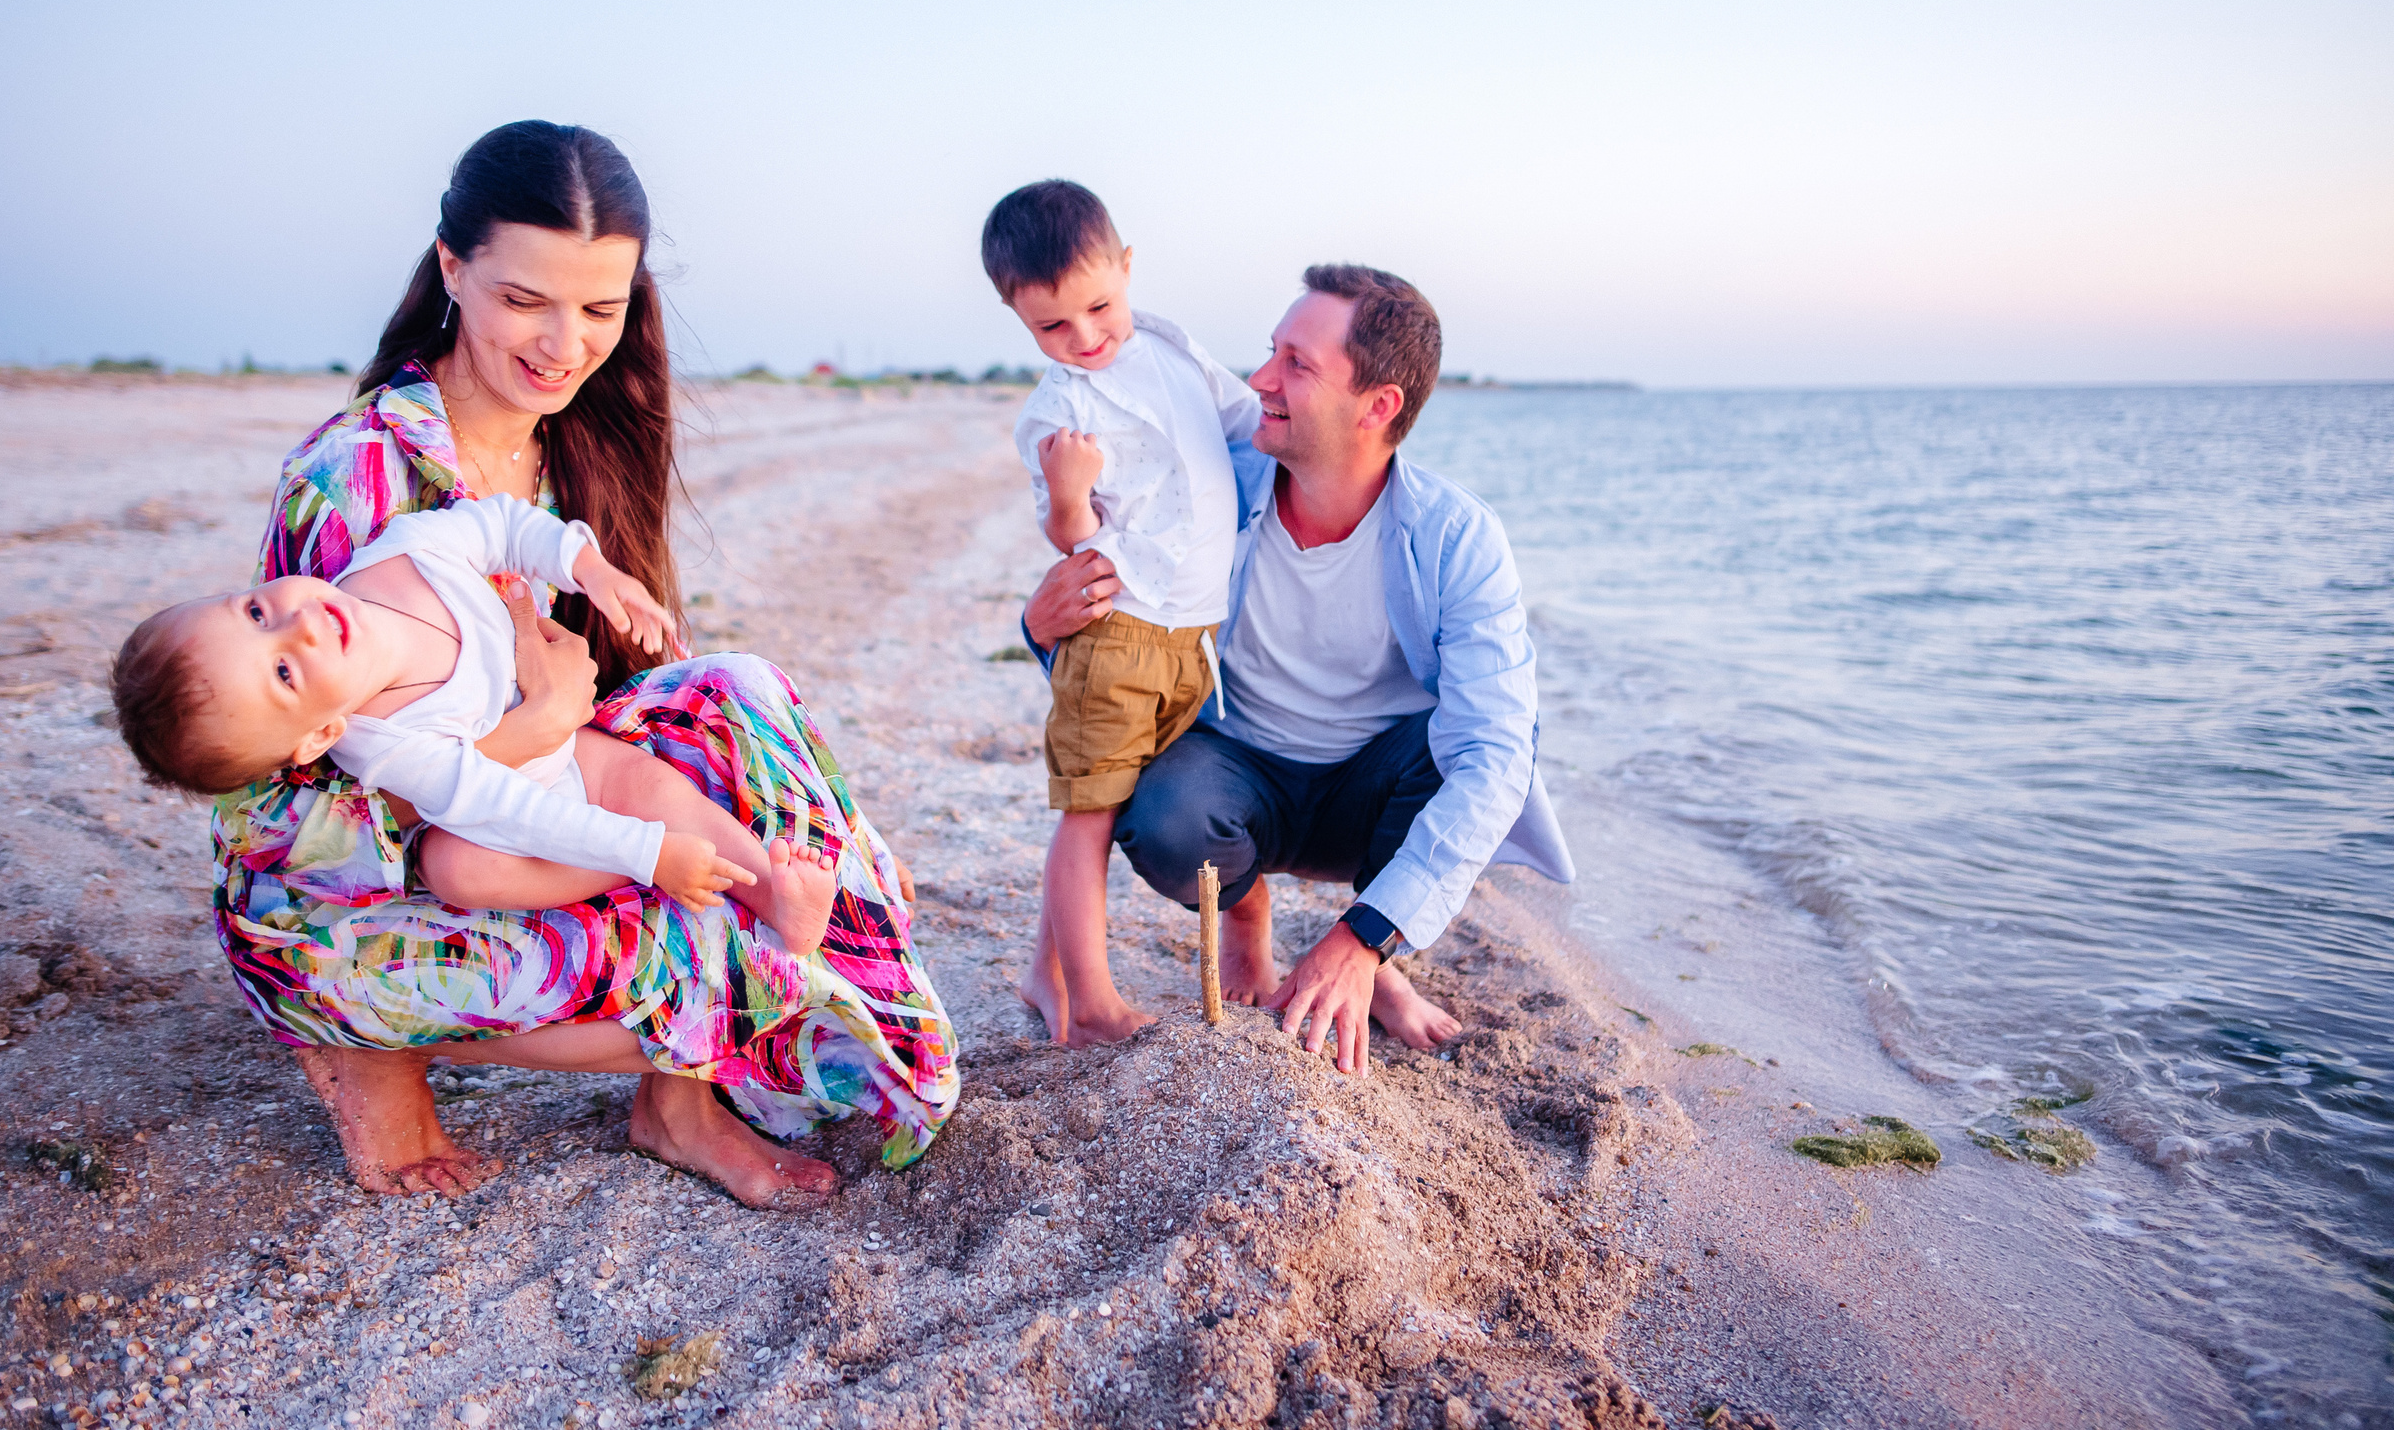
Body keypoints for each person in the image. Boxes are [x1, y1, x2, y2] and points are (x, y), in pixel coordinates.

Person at [212, 120, 955, 1207]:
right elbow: (298, 812)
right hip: (355, 885)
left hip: (534, 803)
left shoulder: (581, 437)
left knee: (743, 744)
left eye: (599, 309)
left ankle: (676, 1099)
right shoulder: (361, 477)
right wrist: (535, 724)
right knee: (721, 955)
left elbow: (634, 694)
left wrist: (645, 760)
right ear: (453, 268)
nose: (564, 343)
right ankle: (368, 1051)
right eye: (526, 301)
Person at [1021, 265, 1572, 1075]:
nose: (1260, 380)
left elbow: (1496, 759)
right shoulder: (1215, 486)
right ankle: (1248, 914)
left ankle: (1371, 960)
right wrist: (1040, 626)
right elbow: (1116, 666)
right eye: (1270, 352)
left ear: (1378, 406)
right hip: (1240, 772)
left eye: (1296, 364)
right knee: (1160, 815)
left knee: (1479, 754)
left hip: (1371, 792)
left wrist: (1362, 938)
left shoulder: (1459, 538)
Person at [111, 491, 840, 955]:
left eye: (256, 611)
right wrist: (646, 852)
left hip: (572, 749)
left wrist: (587, 567)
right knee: (467, 866)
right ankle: (659, 876)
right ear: (316, 737)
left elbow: (499, 524)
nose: (298, 626)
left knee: (648, 782)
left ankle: (777, 896)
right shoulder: (390, 742)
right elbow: (512, 811)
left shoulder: (393, 557)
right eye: (283, 672)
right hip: (526, 814)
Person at [983, 180, 1258, 1046]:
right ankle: (1091, 1003)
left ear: (1127, 269)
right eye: (1051, 326)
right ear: (1018, 317)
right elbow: (1069, 536)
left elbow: (1249, 423)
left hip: (1193, 635)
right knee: (1089, 813)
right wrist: (1068, 494)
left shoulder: (1174, 347)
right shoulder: (1058, 406)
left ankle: (1045, 971)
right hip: (1119, 630)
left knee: (1118, 795)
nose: (1086, 337)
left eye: (1100, 306)